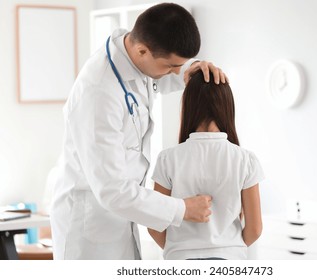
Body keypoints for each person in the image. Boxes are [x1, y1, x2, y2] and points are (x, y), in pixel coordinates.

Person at [50, 3, 227, 260]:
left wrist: (193, 69)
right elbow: (112, 190)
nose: (175, 72)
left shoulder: (136, 56)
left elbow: (156, 79)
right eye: (170, 66)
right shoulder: (99, 92)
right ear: (142, 51)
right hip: (90, 227)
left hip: (121, 218)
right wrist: (182, 209)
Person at [148, 70, 264, 260]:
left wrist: (177, 251)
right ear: (227, 107)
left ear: (188, 106)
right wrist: (229, 249)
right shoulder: (246, 160)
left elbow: (155, 225)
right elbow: (255, 229)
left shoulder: (168, 159)